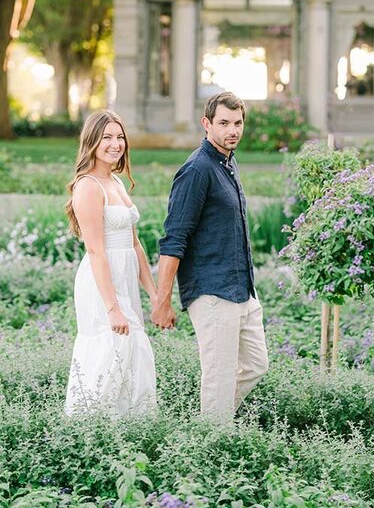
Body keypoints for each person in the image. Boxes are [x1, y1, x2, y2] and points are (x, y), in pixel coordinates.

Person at [152, 91, 269, 419]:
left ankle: (208, 424)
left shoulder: (228, 164)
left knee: (256, 365)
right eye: (224, 123)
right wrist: (162, 301)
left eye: (238, 123)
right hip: (212, 293)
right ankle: (211, 443)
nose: (233, 130)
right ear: (207, 124)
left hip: (242, 290)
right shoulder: (197, 170)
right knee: (218, 379)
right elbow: (174, 239)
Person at [65, 110, 156, 418]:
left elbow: (134, 243)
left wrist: (154, 294)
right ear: (92, 141)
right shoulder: (88, 186)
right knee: (110, 352)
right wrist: (112, 306)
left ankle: (130, 430)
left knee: (133, 352)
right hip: (102, 283)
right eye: (107, 137)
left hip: (125, 276)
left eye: (119, 137)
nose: (116, 144)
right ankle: (88, 427)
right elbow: (95, 251)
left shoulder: (115, 181)